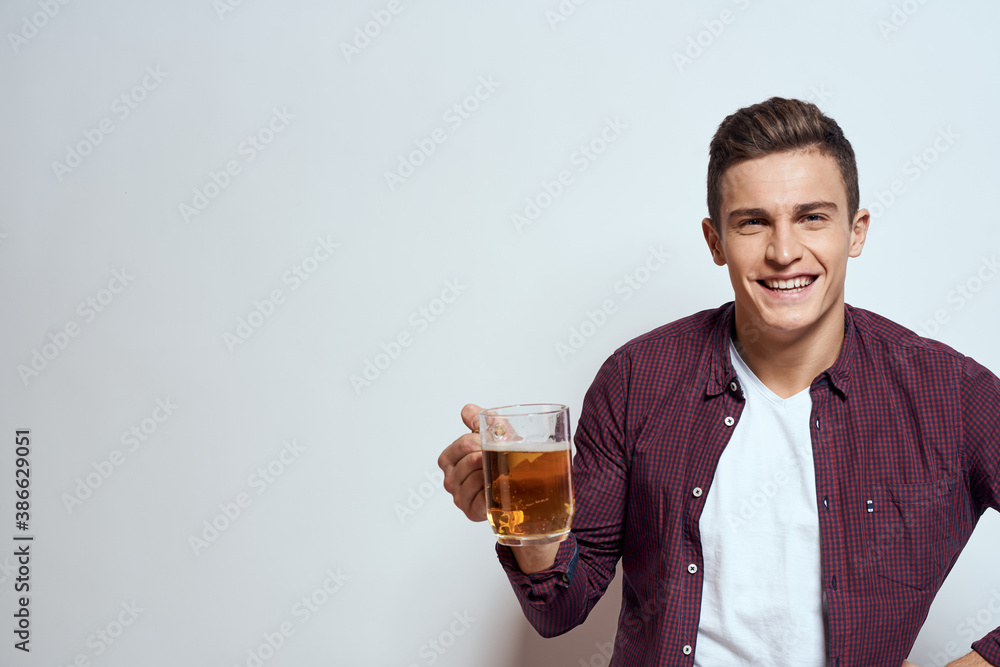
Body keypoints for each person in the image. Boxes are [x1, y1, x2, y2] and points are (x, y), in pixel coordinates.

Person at [437, 97, 1000, 667]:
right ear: (714, 242)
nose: (784, 252)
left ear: (855, 231)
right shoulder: (637, 379)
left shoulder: (948, 395)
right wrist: (528, 524)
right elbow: (559, 610)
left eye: (812, 217)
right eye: (753, 222)